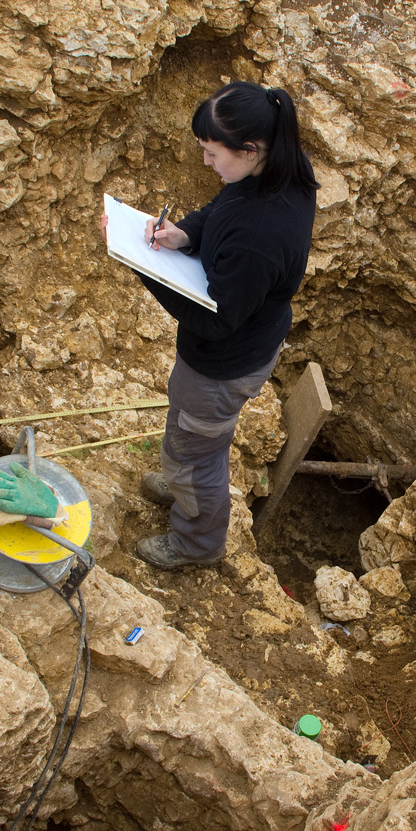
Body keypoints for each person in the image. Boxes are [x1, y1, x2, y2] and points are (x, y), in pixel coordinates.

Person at [101, 81, 318, 570]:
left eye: (211, 152)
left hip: (221, 365)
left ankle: (196, 543)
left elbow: (213, 321)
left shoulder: (261, 236)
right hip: (237, 350)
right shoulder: (276, 172)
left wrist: (137, 262)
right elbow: (223, 209)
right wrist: (186, 235)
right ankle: (183, 477)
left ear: (250, 149)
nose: (205, 162)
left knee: (196, 454)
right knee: (191, 435)